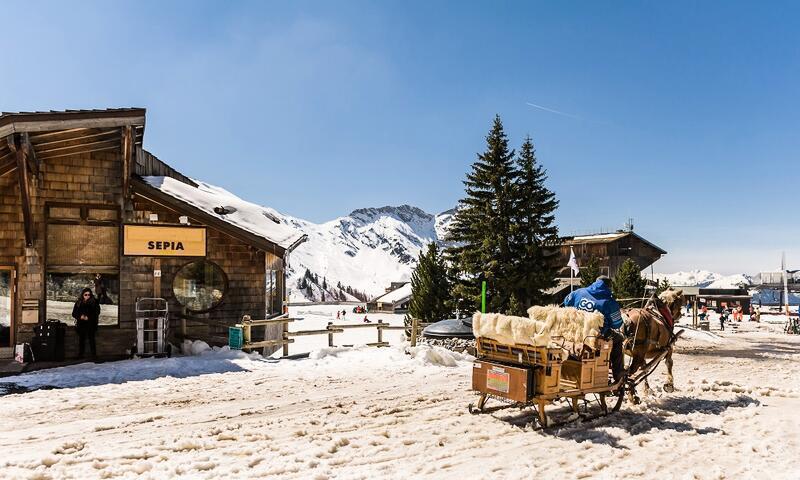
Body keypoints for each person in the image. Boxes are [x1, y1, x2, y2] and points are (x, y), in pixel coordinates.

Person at [563, 276, 624, 382]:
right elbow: (617, 324)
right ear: (609, 287)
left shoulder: (578, 292)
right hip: (592, 336)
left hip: (574, 332)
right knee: (618, 339)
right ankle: (618, 374)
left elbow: (566, 303)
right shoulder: (609, 301)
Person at [72, 287, 100, 358]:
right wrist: (80, 317)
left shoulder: (94, 302)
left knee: (92, 340)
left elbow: (97, 312)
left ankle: (94, 355)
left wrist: (89, 317)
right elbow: (74, 313)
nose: (87, 296)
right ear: (82, 295)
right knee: (81, 340)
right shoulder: (79, 302)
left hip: (91, 324)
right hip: (81, 324)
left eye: (89, 295)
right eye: (85, 294)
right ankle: (80, 354)